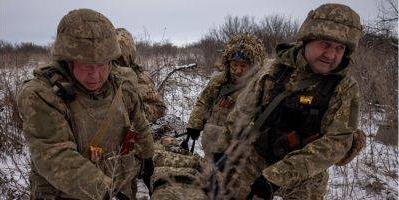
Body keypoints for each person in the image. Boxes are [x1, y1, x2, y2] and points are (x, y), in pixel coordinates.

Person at [217, 3, 364, 200]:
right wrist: (224, 150)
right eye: (325, 44)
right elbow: (241, 113)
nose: (331, 55)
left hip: (306, 173)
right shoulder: (274, 70)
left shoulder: (345, 88)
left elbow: (335, 144)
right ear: (307, 40)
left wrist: (275, 177)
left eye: (340, 48)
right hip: (256, 157)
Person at [17, 9, 154, 199]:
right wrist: (106, 192)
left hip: (121, 187)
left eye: (102, 65)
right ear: (68, 60)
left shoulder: (123, 80)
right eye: (87, 65)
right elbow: (55, 155)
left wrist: (148, 157)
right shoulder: (41, 94)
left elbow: (138, 122)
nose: (95, 75)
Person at [185, 34, 265, 162]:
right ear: (228, 64)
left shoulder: (259, 86)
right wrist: (194, 125)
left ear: (253, 66)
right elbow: (204, 101)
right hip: (211, 143)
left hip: (239, 150)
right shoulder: (219, 81)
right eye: (234, 65)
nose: (238, 70)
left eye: (243, 66)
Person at [115, 28, 167, 123]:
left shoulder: (140, 77)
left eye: (120, 59)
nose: (116, 63)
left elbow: (159, 108)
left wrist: (134, 112)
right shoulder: (101, 72)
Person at [150, 134, 208, 200]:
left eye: (172, 140)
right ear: (161, 143)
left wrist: (185, 152)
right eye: (166, 141)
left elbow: (207, 166)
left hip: (194, 186)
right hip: (165, 185)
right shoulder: (156, 152)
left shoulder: (191, 155)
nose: (170, 142)